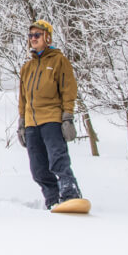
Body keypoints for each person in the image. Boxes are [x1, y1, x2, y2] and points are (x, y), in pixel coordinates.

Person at [16, 20, 82, 209]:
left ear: (47, 37)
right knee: (38, 169)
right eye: (31, 36)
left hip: (51, 119)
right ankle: (52, 199)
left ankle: (70, 194)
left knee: (57, 159)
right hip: (31, 122)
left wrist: (67, 117)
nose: (33, 39)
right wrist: (22, 123)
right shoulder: (27, 68)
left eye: (37, 35)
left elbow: (69, 90)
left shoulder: (58, 61)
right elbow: (22, 98)